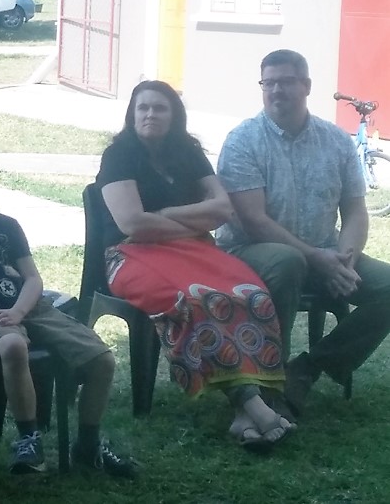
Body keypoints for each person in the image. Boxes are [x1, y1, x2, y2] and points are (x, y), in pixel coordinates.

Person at [95, 80, 293, 450]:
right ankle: (251, 404)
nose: (150, 114)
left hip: (194, 251)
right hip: (130, 255)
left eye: (160, 108)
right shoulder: (118, 155)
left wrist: (164, 215)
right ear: (132, 114)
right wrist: (191, 222)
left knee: (251, 294)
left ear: (175, 115)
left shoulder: (189, 152)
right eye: (142, 108)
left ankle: (243, 416)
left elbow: (222, 209)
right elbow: (132, 224)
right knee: (197, 300)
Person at [0, 140, 138, 477]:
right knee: (13, 345)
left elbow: (32, 278)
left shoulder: (7, 225)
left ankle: (88, 444)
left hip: (29, 307)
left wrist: (19, 311)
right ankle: (29, 439)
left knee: (103, 360)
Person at [216, 49, 390, 415]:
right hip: (251, 253)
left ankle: (308, 368)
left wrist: (345, 260)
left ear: (307, 86)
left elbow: (355, 211)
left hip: (325, 252)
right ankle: (269, 379)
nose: (276, 90)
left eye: (286, 82)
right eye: (268, 83)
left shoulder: (337, 141)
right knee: (288, 260)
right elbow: (253, 221)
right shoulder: (243, 141)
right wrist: (317, 259)